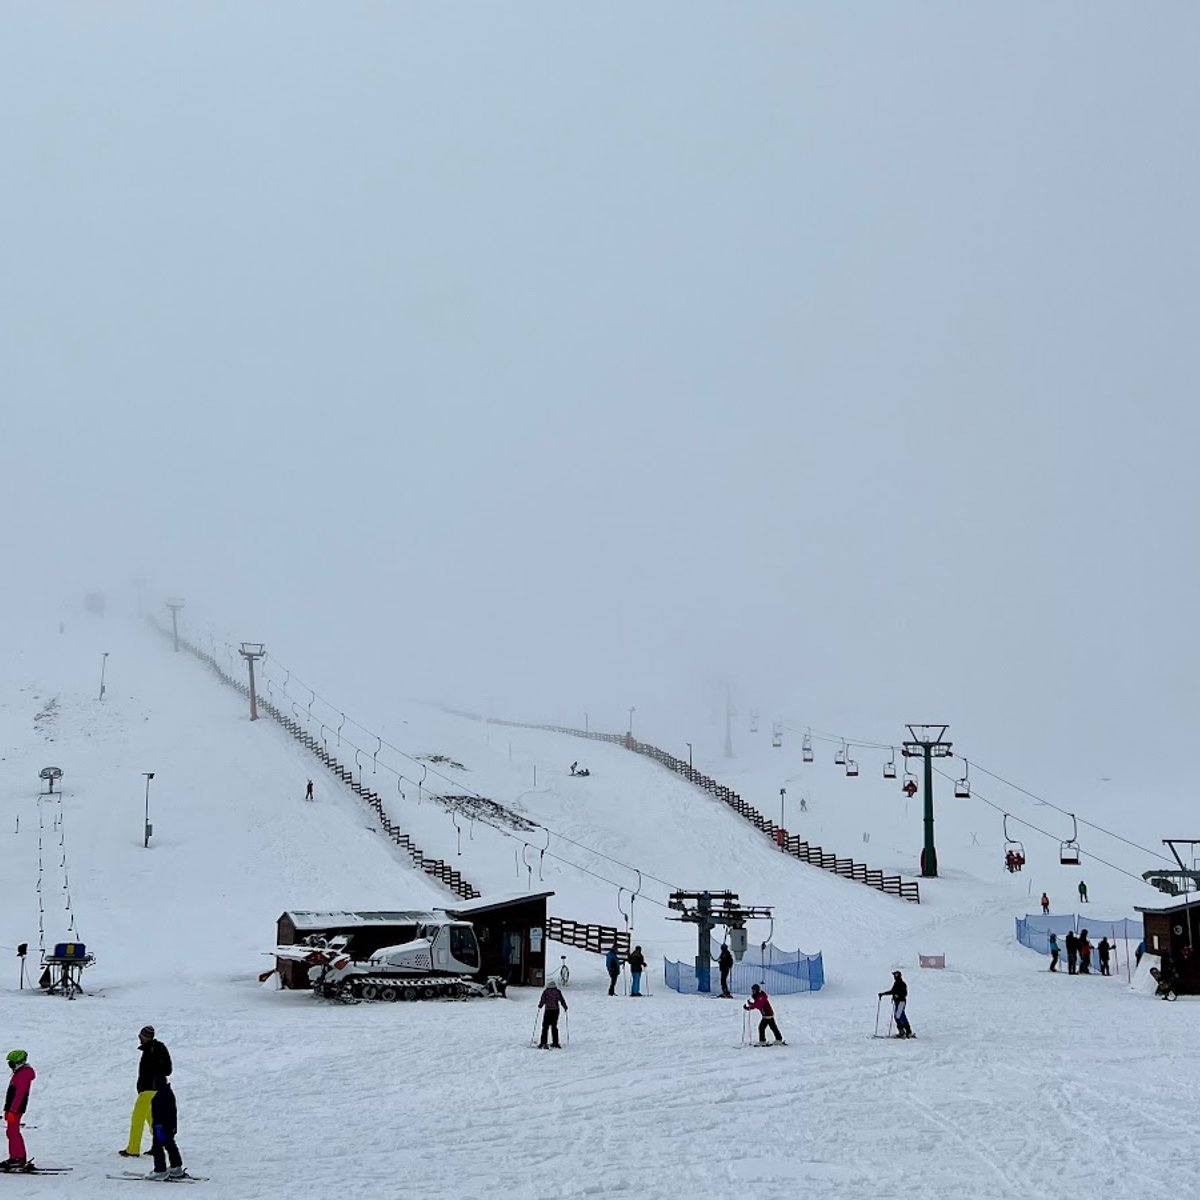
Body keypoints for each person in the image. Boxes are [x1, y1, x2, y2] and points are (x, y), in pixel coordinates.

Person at [119, 1025, 172, 1159]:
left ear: (144, 1037)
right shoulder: (157, 1048)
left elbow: (163, 1070)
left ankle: (133, 1149)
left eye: (141, 1036)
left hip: (148, 1090)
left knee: (137, 1119)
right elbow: (167, 1070)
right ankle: (161, 1145)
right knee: (153, 1119)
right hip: (157, 1089)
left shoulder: (151, 1050)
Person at [145, 1028, 185, 1180]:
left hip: (162, 1124)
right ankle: (176, 1167)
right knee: (169, 1143)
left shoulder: (158, 1094)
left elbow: (159, 1111)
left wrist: (158, 1125)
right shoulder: (167, 1091)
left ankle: (160, 1170)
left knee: (158, 1145)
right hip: (169, 1124)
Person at [1, 1051, 34, 1172]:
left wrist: (13, 1110)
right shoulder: (20, 1073)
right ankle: (15, 1157)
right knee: (11, 1132)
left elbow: (19, 1094)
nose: (10, 1066)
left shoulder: (23, 1074)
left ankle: (18, 1158)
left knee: (13, 1133)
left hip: (16, 1109)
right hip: (13, 1108)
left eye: (11, 1064)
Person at [879, 970, 914, 1038]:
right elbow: (892, 991)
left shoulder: (902, 984)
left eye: (896, 975)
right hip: (897, 1002)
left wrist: (898, 995)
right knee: (897, 1016)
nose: (894, 977)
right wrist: (883, 994)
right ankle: (902, 1031)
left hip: (901, 1001)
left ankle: (908, 1031)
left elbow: (905, 993)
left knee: (900, 1016)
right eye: (894, 975)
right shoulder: (896, 983)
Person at [537, 982, 567, 1048]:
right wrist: (565, 1006)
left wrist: (540, 1006)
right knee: (554, 1026)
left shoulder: (546, 992)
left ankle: (543, 1043)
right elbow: (561, 1000)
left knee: (545, 1027)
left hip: (548, 1010)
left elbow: (543, 1000)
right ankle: (555, 1043)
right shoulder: (557, 992)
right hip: (555, 1011)